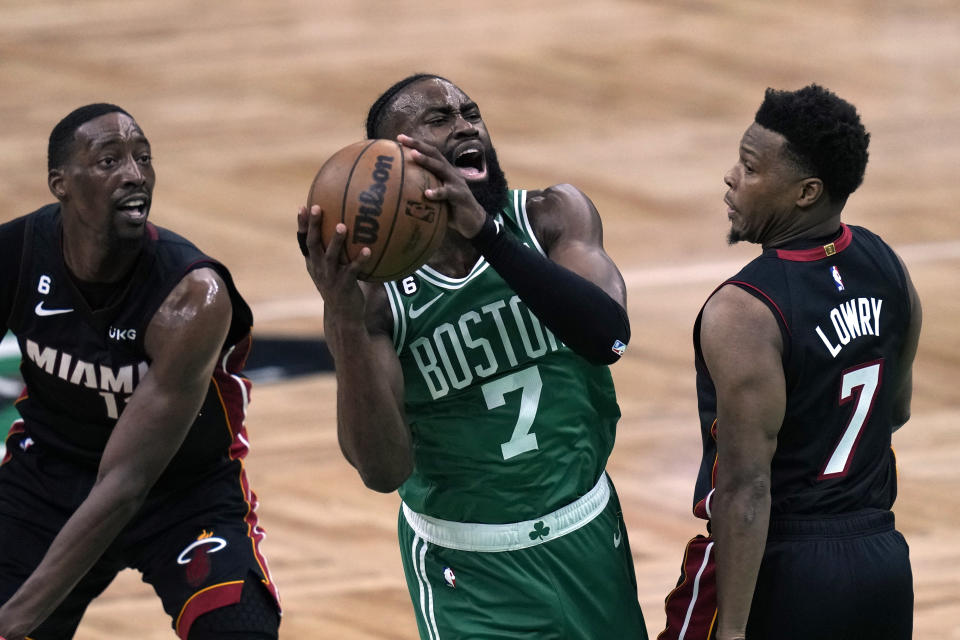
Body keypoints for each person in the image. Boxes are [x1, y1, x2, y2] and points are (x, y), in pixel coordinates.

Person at [298, 74, 647, 639]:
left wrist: (487, 234)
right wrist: (341, 317)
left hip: (588, 534)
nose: (465, 125)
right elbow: (382, 471)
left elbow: (609, 339)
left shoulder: (551, 218)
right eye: (437, 120)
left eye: (471, 112)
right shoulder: (377, 297)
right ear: (395, 161)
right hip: (470, 569)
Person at [0, 104, 280, 640]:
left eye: (143, 157)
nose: (134, 172)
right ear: (61, 183)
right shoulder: (15, 255)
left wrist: (15, 618)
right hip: (48, 478)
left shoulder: (192, 295)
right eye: (109, 160)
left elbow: (126, 482)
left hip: (181, 492)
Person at [659, 85, 922, 640]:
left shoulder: (744, 310)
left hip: (784, 565)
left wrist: (730, 628)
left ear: (806, 192)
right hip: (881, 562)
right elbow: (894, 409)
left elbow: (746, 486)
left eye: (751, 169)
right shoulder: (887, 265)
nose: (731, 177)